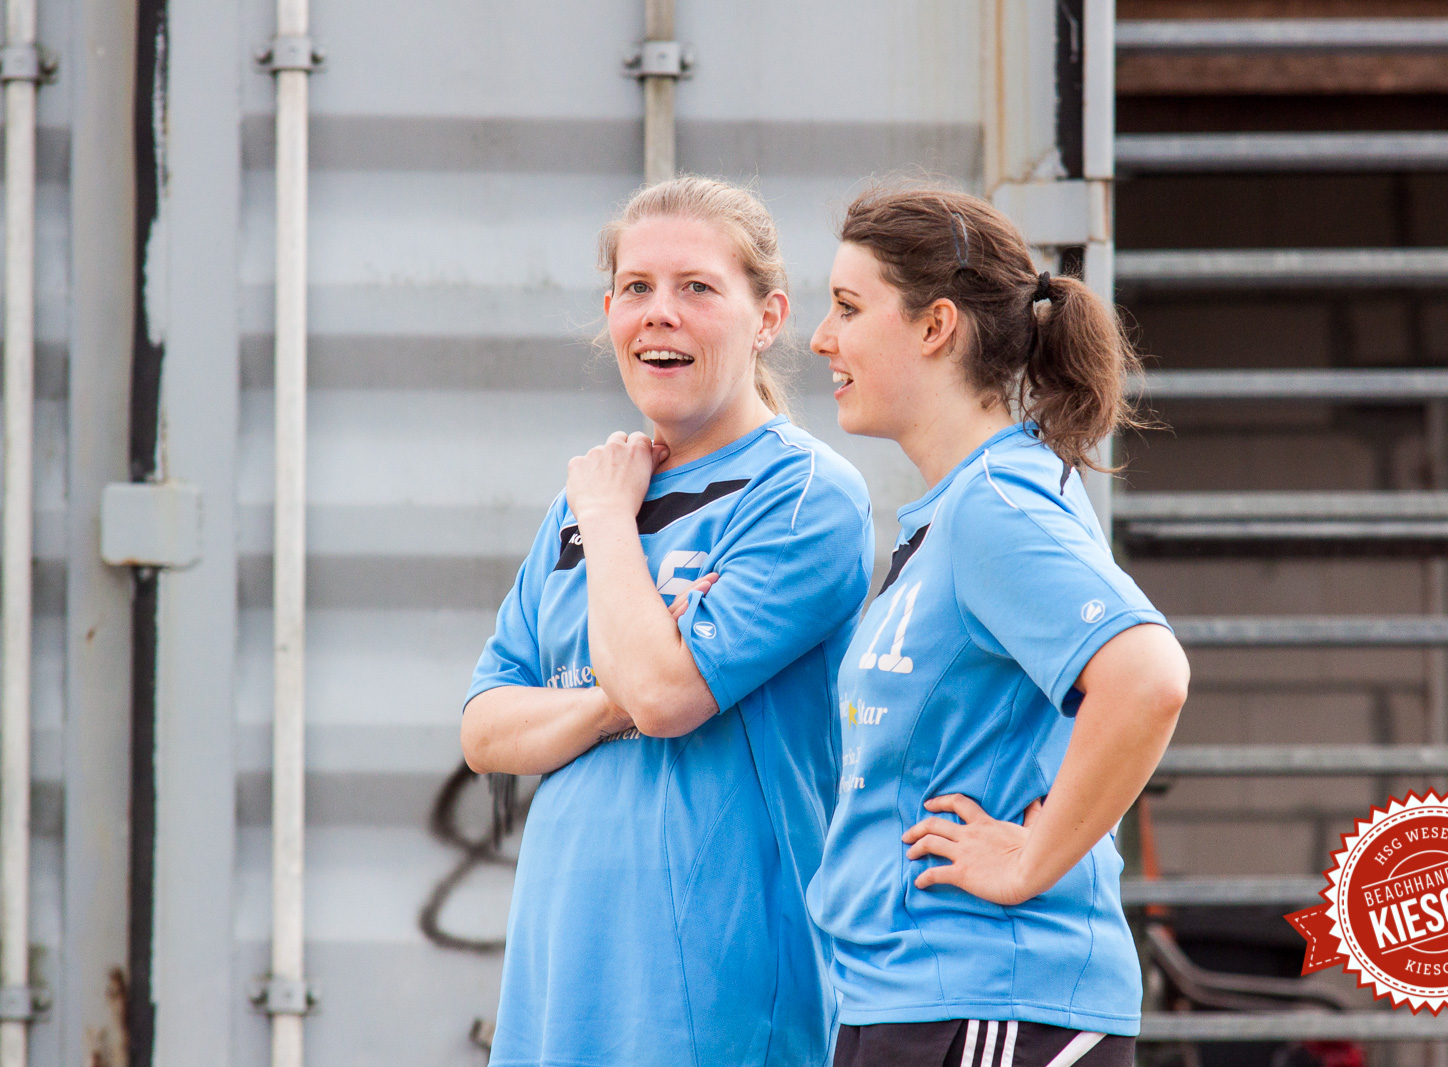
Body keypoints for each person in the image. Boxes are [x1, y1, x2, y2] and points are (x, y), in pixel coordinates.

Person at [461, 176, 874, 1067]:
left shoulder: (803, 495)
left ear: (767, 317)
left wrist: (611, 526)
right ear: (609, 311)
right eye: (638, 288)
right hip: (560, 983)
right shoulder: (582, 502)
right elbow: (487, 726)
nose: (661, 314)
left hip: (715, 993)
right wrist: (608, 701)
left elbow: (663, 695)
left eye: (697, 288)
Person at [805, 184, 1190, 1067]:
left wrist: (1028, 860)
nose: (823, 337)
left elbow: (1148, 677)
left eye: (849, 307)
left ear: (936, 326)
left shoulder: (996, 505)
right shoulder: (949, 512)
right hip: (910, 999)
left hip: (993, 1004)